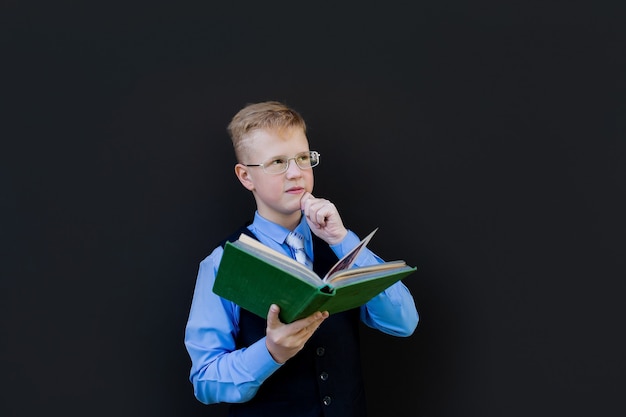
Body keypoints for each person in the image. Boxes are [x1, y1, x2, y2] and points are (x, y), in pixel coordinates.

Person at [184, 100, 419, 417]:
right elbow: (206, 382)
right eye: (277, 162)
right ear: (245, 176)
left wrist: (341, 239)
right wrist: (271, 352)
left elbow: (404, 323)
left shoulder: (338, 245)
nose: (295, 173)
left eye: (302, 158)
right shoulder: (221, 262)